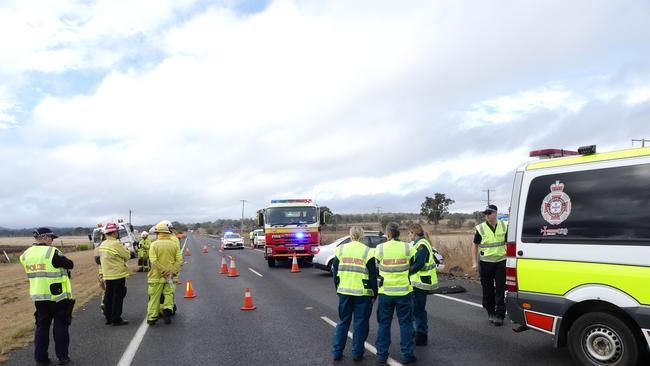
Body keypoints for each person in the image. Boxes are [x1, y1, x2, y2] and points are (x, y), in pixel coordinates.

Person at [20, 228, 75, 366]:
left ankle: (41, 359)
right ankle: (63, 357)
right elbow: (70, 264)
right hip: (58, 296)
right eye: (51, 237)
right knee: (60, 327)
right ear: (44, 237)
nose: (52, 240)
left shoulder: (26, 254)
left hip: (39, 297)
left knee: (41, 328)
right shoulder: (52, 252)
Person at [331, 226, 377, 362]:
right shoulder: (367, 251)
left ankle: (337, 352)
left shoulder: (340, 249)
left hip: (344, 292)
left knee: (343, 322)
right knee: (360, 323)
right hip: (362, 293)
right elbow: (373, 276)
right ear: (362, 236)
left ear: (350, 235)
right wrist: (375, 294)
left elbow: (335, 272)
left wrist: (337, 288)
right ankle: (357, 354)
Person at [374, 222, 416, 364]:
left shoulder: (380, 248)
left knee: (384, 324)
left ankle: (381, 354)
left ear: (389, 233)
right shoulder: (407, 247)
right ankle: (407, 354)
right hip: (404, 292)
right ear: (399, 233)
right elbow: (413, 263)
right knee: (406, 323)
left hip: (386, 293)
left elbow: (377, 265)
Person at [471, 204, 508, 326]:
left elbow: (510, 243)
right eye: (485, 214)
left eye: (489, 213)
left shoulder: (504, 225)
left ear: (495, 213)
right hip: (486, 263)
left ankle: (500, 315)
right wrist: (474, 263)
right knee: (487, 289)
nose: (486, 216)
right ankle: (491, 312)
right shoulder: (481, 228)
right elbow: (474, 245)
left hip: (501, 262)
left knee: (500, 288)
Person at [408, 223, 439, 346]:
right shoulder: (415, 244)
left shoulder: (422, 244)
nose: (408, 235)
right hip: (416, 282)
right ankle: (418, 333)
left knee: (419, 310)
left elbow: (418, 264)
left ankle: (421, 335)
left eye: (410, 233)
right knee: (415, 309)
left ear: (414, 233)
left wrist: (406, 272)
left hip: (421, 282)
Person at [147, 222, 182, 325]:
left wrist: (163, 272)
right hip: (171, 276)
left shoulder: (154, 245)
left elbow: (153, 260)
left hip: (156, 276)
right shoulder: (174, 244)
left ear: (158, 233)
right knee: (169, 295)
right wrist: (172, 272)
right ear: (168, 233)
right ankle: (167, 313)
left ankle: (152, 318)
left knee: (154, 298)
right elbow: (179, 260)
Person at [98, 222, 131, 326]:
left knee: (108, 296)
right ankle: (116, 318)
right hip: (118, 274)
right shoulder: (116, 244)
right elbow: (127, 256)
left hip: (107, 274)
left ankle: (108, 317)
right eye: (117, 231)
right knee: (118, 297)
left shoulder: (103, 244)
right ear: (113, 233)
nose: (117, 233)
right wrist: (127, 250)